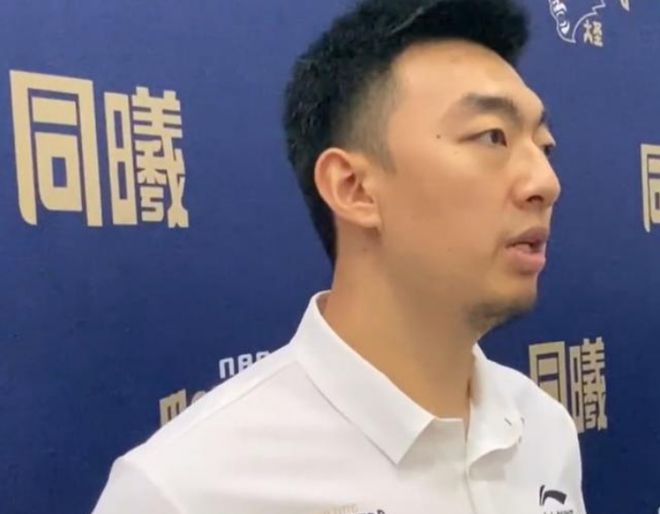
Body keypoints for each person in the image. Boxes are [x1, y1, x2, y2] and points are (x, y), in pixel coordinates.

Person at [92, 0, 587, 513]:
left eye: (543, 146)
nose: (545, 183)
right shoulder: (185, 490)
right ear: (353, 188)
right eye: (492, 137)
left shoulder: (543, 430)